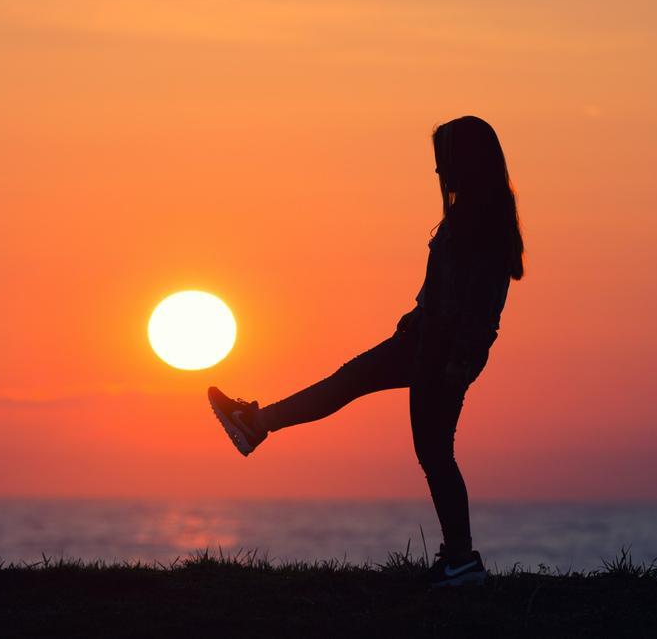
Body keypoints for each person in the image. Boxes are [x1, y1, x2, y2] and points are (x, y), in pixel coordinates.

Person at [207, 115, 525, 588]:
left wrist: (458, 363)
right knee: (353, 385)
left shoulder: (480, 225)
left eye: (443, 163)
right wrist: (417, 316)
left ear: (466, 163)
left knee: (434, 452)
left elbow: (479, 308)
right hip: (423, 342)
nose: (438, 174)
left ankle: (461, 561)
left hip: (440, 354)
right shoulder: (471, 218)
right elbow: (445, 291)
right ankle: (256, 424)